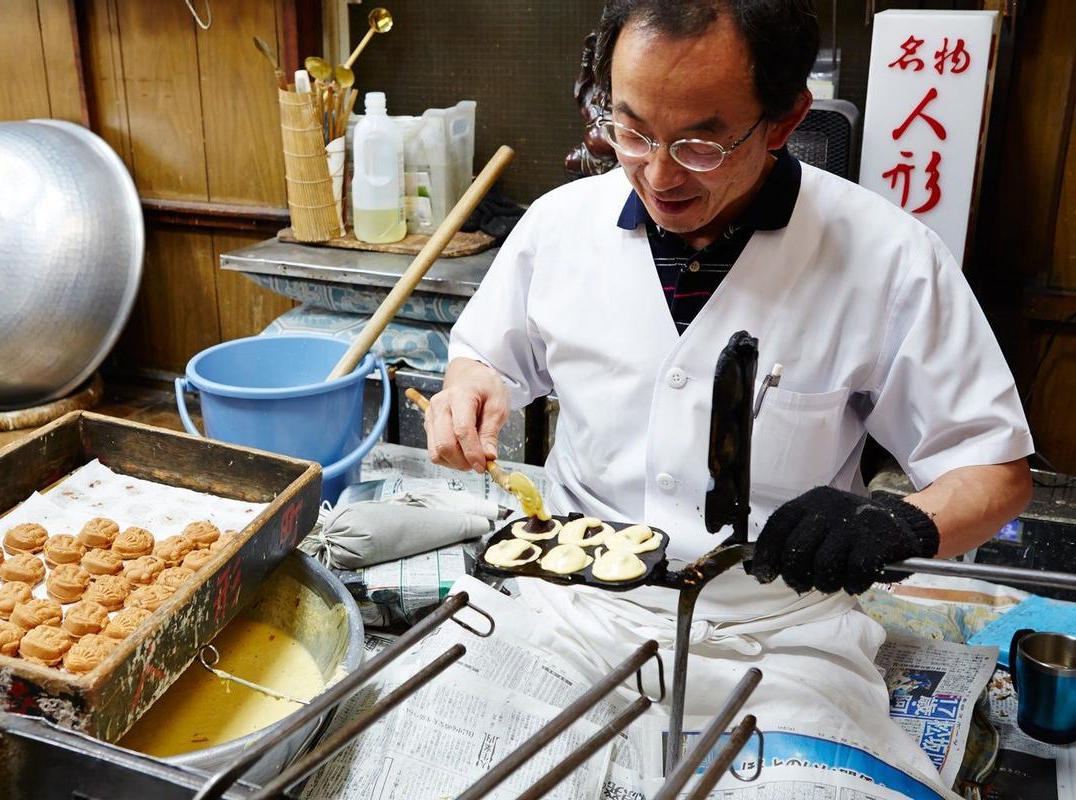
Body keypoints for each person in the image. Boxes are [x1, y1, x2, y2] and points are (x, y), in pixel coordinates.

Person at [424, 0, 1034, 796]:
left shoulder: (886, 257)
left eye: (701, 142)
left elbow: (994, 469)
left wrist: (902, 519)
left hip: (779, 638)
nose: (658, 172)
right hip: (568, 614)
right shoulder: (558, 227)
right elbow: (485, 357)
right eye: (631, 128)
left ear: (783, 122)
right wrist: (467, 385)